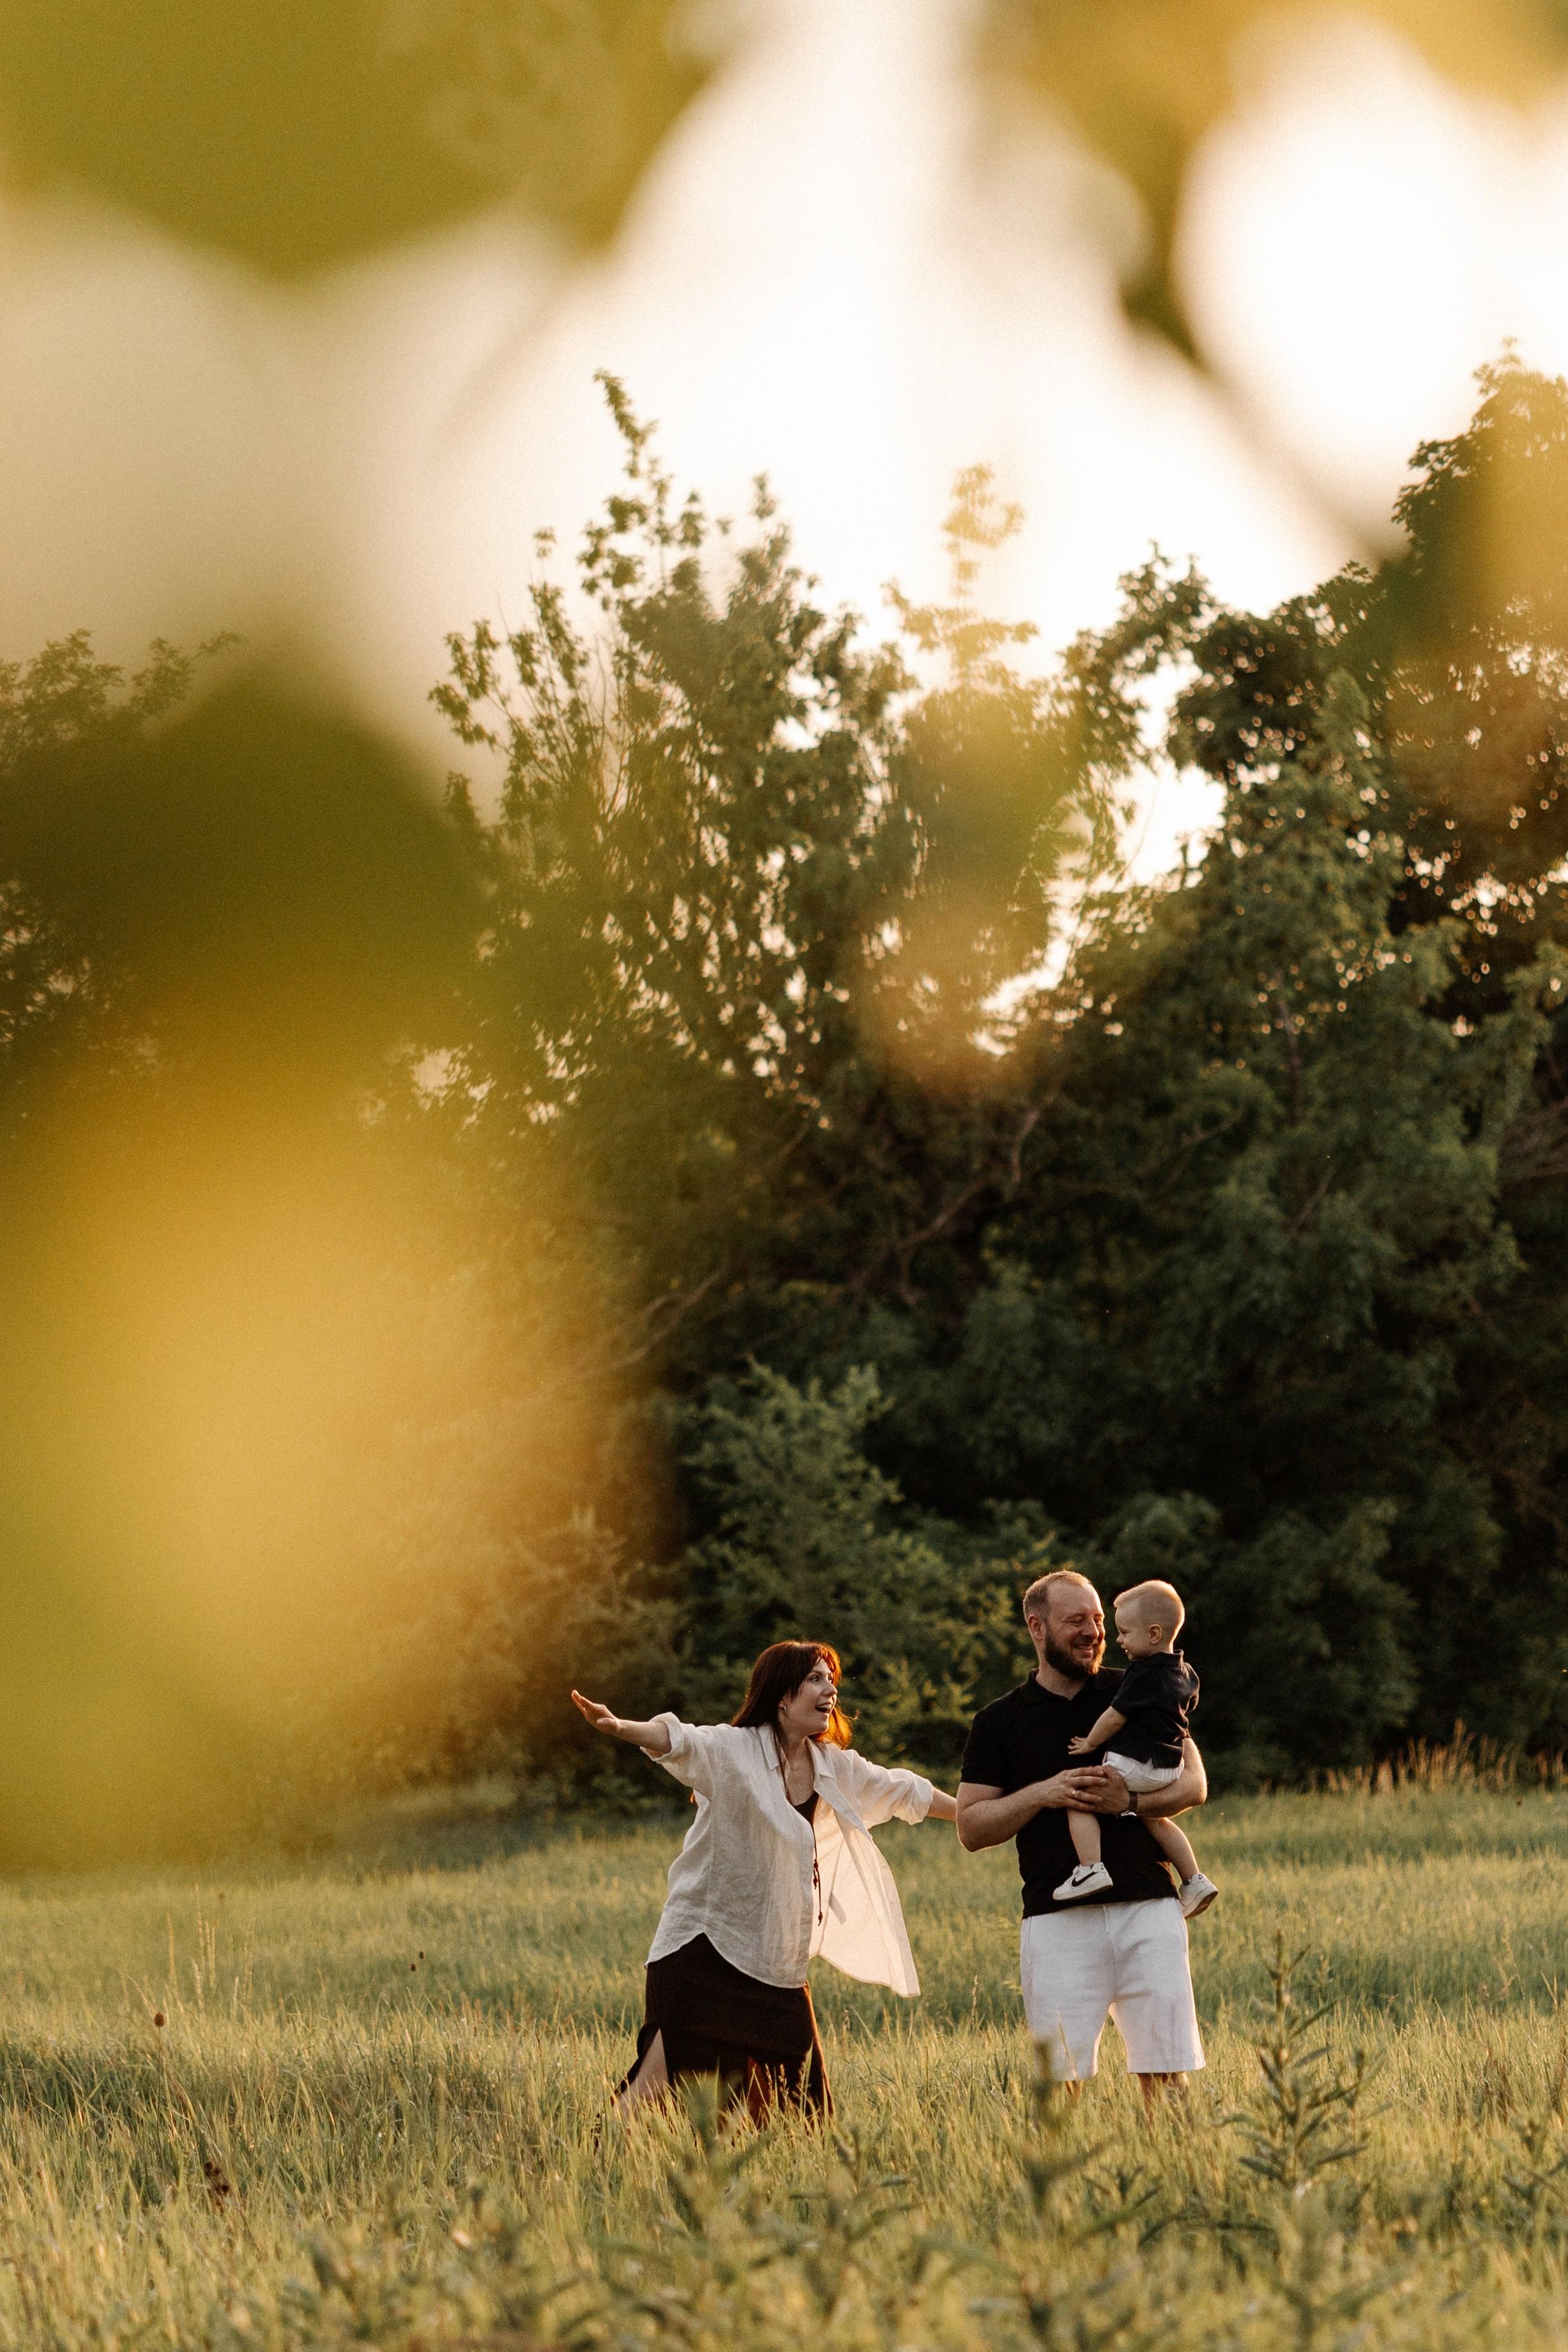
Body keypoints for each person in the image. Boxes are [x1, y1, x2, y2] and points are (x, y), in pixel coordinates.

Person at [571, 1640, 958, 2120]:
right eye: (816, 1679)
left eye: (832, 1679)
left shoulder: (833, 1767)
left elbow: (904, 1790)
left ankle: (764, 2187)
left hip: (775, 1963)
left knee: (803, 2109)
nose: (830, 1690)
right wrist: (621, 1727)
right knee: (658, 2088)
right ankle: (589, 2164)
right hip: (704, 1951)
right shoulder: (734, 1751)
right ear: (781, 1695)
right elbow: (681, 1740)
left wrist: (977, 1815)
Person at [956, 1569, 1208, 2100]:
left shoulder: (1140, 1683)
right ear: (1037, 1627)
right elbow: (971, 1828)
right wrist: (1042, 1793)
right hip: (1056, 1921)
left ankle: (1186, 2179)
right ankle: (1056, 2184)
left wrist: (1130, 1802)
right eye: (1077, 1621)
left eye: (1098, 1619)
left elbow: (1195, 1785)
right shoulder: (998, 1721)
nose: (1094, 1631)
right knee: (1060, 2087)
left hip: (1149, 1909)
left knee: (1168, 2075)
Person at [1057, 1578, 1217, 1917]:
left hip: (1138, 1763)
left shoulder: (1142, 1676)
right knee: (1155, 1819)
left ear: (1154, 1635)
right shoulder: (1186, 1672)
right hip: (1169, 1766)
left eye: (1125, 1633)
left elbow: (1114, 1717)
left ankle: (1090, 1868)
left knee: (1078, 1797)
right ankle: (1194, 1879)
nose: (1117, 1640)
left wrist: (1089, 1742)